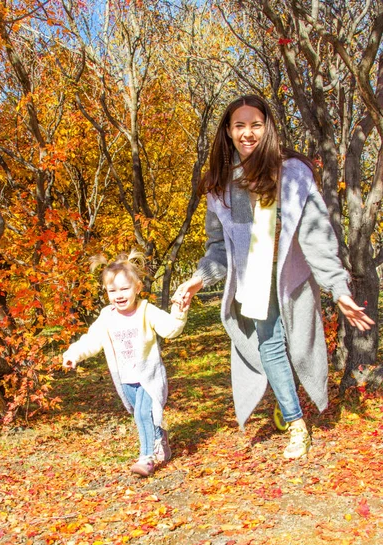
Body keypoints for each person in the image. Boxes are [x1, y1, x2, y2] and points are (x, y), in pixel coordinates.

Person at [173, 94, 374, 460]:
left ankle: (286, 397)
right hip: (253, 284)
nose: (247, 133)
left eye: (256, 124)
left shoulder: (294, 174)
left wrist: (338, 288)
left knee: (299, 347)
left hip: (291, 278)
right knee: (270, 345)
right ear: (228, 132)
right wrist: (197, 279)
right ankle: (297, 423)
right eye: (239, 126)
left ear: (268, 128)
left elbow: (317, 235)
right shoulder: (220, 185)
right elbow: (219, 250)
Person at [63, 250, 188, 477]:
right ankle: (160, 437)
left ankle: (146, 458)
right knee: (141, 415)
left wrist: (179, 311)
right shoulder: (107, 316)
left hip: (148, 376)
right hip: (125, 379)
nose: (118, 295)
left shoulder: (146, 311)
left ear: (138, 288)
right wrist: (74, 354)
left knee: (142, 414)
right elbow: (92, 340)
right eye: (112, 291)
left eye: (124, 289)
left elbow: (171, 329)